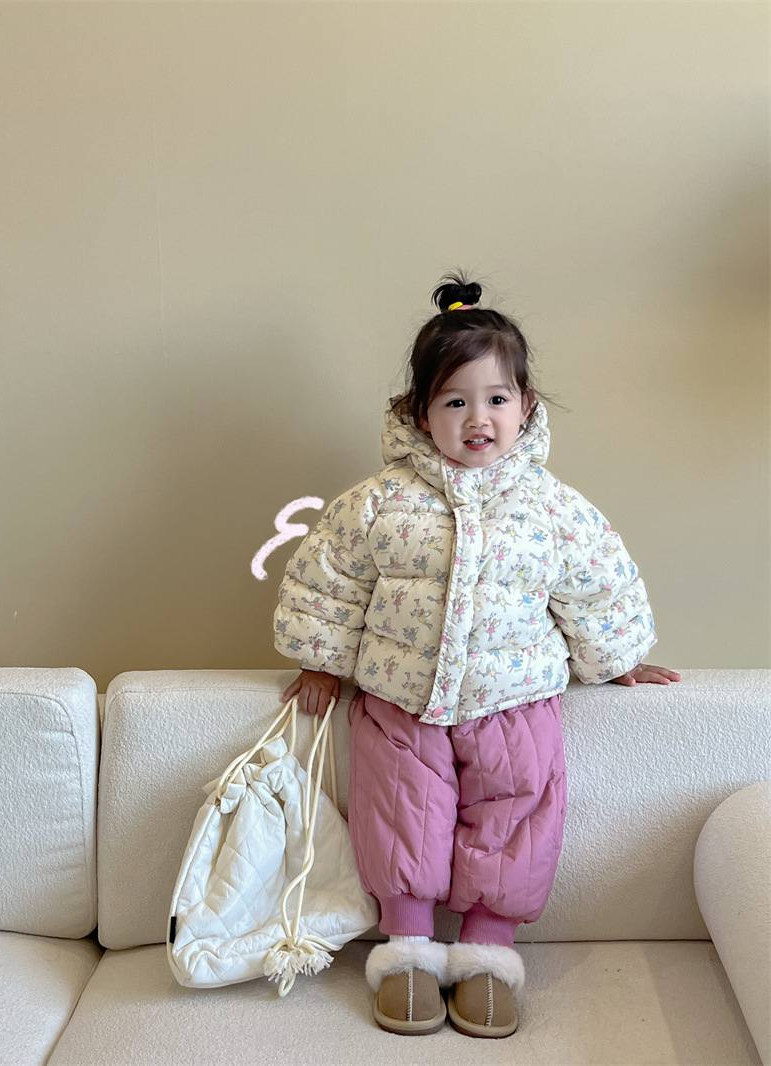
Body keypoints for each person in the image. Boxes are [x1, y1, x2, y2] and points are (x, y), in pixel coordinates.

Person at [272, 271, 680, 1039]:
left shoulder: (552, 508)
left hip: (514, 700)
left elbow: (597, 584)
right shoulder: (379, 503)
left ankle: (489, 954)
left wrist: (617, 656)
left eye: (496, 398)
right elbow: (330, 579)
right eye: (455, 402)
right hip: (402, 699)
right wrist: (320, 660)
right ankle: (407, 949)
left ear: (526, 406)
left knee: (516, 812)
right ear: (419, 413)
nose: (478, 418)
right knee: (402, 811)